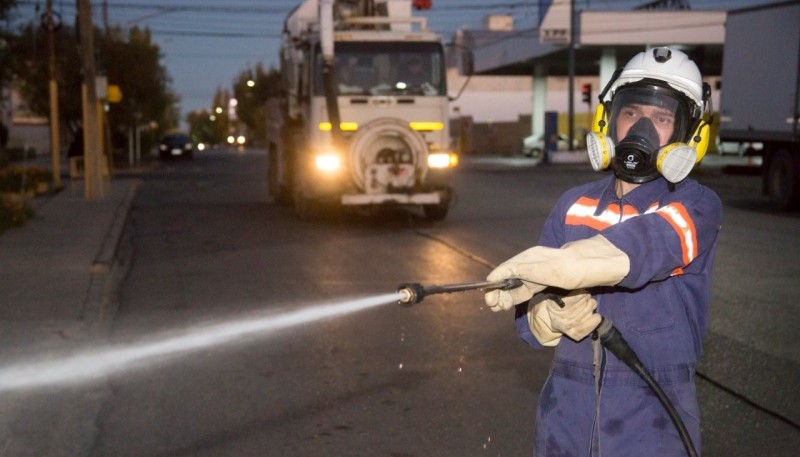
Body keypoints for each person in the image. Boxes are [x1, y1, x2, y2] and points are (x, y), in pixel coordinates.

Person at [484, 47, 722, 456]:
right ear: (608, 119)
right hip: (565, 419)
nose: (642, 129)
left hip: (654, 421)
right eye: (632, 113)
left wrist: (564, 264)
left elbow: (645, 246)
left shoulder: (697, 206)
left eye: (662, 118)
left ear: (690, 135)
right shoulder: (572, 204)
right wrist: (544, 318)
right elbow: (531, 310)